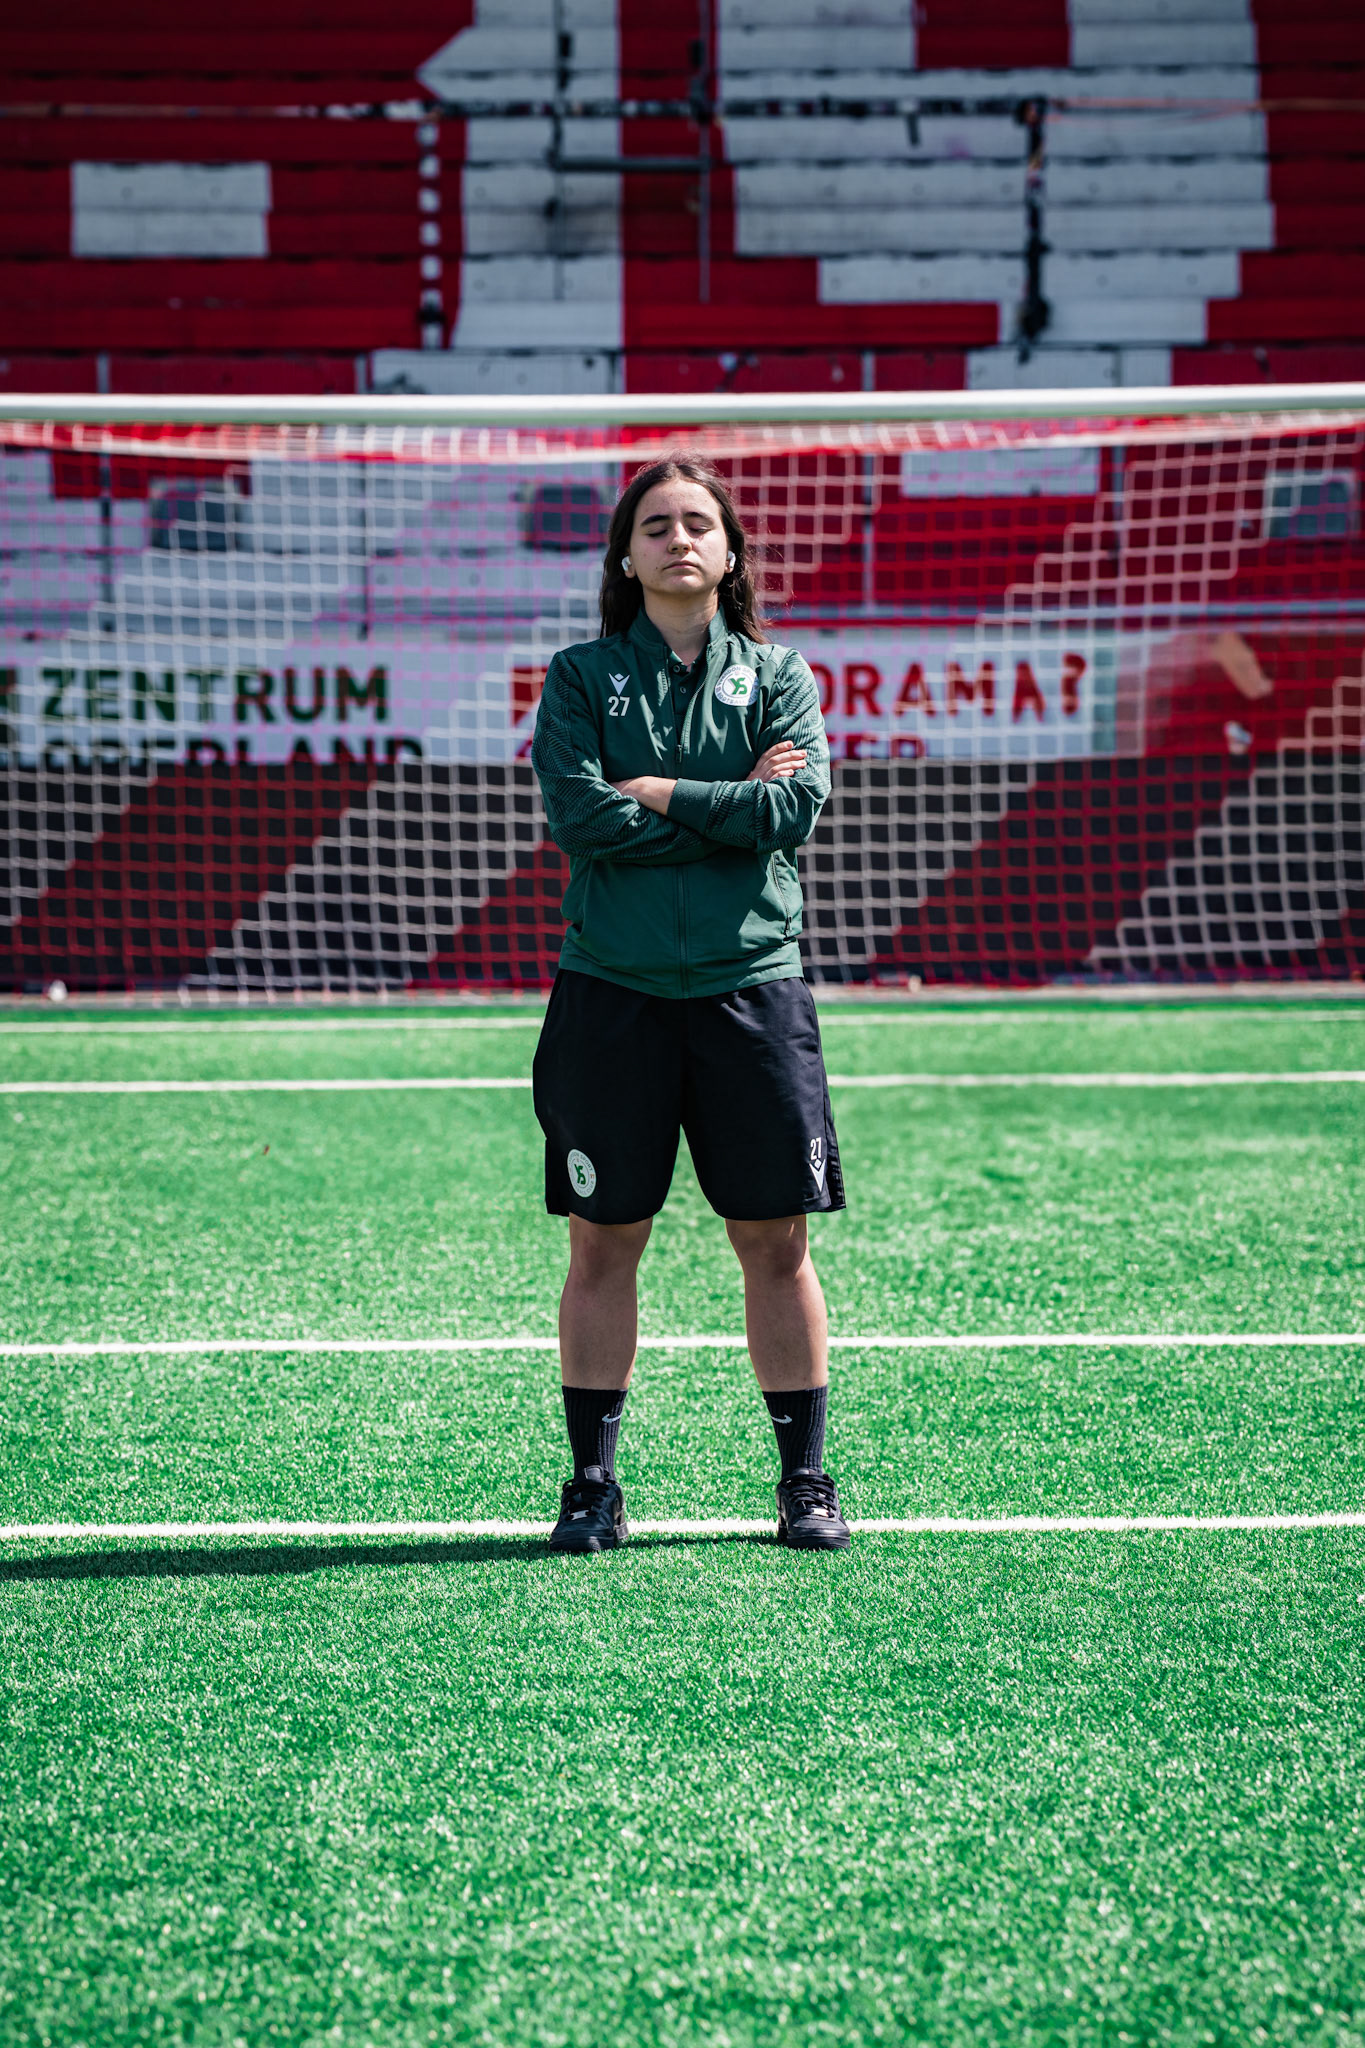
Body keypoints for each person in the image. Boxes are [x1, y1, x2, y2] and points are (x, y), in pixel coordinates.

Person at [530, 456, 849, 1554]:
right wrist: (730, 809)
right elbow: (579, 816)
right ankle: (592, 1483)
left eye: (697, 522)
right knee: (604, 1240)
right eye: (656, 524)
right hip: (610, 993)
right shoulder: (579, 677)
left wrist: (660, 793)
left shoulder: (780, 673)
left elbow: (795, 804)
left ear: (730, 550)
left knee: (774, 1237)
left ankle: (805, 1479)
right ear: (627, 555)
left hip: (751, 990)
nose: (678, 538)